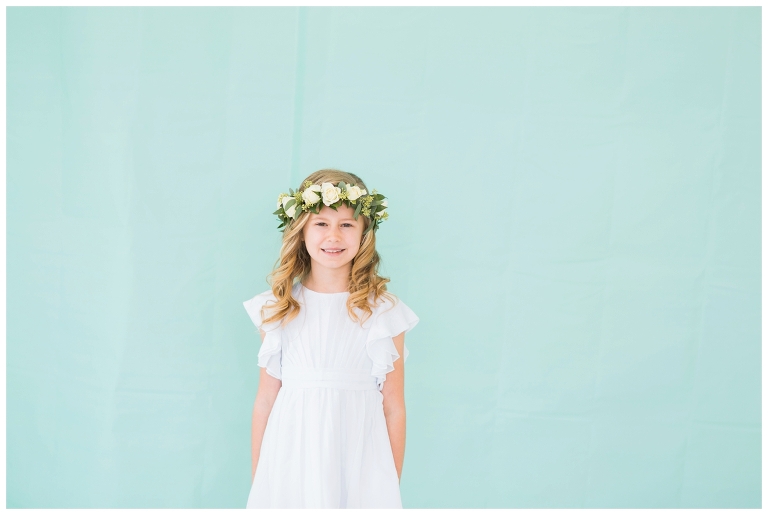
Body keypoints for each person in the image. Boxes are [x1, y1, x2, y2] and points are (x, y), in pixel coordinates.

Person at [242, 168, 419, 508]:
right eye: (321, 224)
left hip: (360, 458)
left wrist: (388, 483)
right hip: (290, 458)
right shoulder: (277, 308)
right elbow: (266, 399)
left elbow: (394, 406)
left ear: (364, 232)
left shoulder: (384, 313)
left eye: (347, 225)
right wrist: (261, 479)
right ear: (302, 231)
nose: (334, 236)